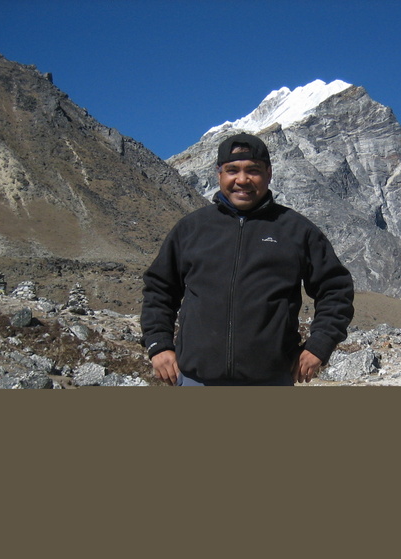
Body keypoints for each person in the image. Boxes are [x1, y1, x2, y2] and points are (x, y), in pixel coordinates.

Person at [140, 133, 354, 386]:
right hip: (195, 379)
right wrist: (158, 344)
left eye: (253, 170)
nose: (242, 180)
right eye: (232, 170)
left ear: (269, 173)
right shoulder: (192, 228)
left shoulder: (296, 230)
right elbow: (159, 290)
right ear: (219, 173)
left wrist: (319, 345)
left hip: (271, 380)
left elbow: (335, 289)